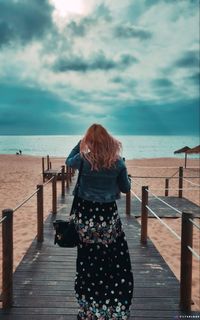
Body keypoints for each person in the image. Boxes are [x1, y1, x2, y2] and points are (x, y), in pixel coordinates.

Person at [66, 124, 134, 320]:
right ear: (109, 140)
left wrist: (79, 144)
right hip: (107, 218)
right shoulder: (118, 162)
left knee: (88, 262)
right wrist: (124, 177)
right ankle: (113, 308)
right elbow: (125, 188)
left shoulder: (84, 158)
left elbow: (68, 161)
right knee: (113, 260)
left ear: (90, 141)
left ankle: (90, 310)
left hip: (86, 217)